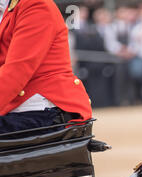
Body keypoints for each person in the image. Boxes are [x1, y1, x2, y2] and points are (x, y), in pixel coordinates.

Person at [0, 0, 92, 134]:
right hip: (14, 107)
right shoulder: (7, 7)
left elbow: (17, 71)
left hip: (37, 110)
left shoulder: (35, 4)